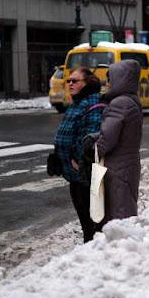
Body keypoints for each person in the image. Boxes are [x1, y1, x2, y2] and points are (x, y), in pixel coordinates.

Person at [84, 59, 143, 223]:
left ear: (120, 79)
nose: (107, 83)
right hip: (128, 164)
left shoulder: (119, 103)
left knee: (119, 215)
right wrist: (96, 136)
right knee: (126, 208)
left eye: (110, 79)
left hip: (118, 168)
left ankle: (124, 246)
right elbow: (122, 132)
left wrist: (92, 149)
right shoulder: (132, 100)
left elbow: (107, 140)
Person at [53, 67, 105, 242]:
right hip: (75, 172)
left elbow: (90, 136)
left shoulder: (93, 103)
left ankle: (94, 248)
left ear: (87, 83)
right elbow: (68, 132)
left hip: (85, 172)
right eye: (69, 81)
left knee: (91, 218)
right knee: (83, 216)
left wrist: (77, 158)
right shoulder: (77, 102)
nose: (70, 84)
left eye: (75, 81)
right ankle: (89, 244)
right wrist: (58, 154)